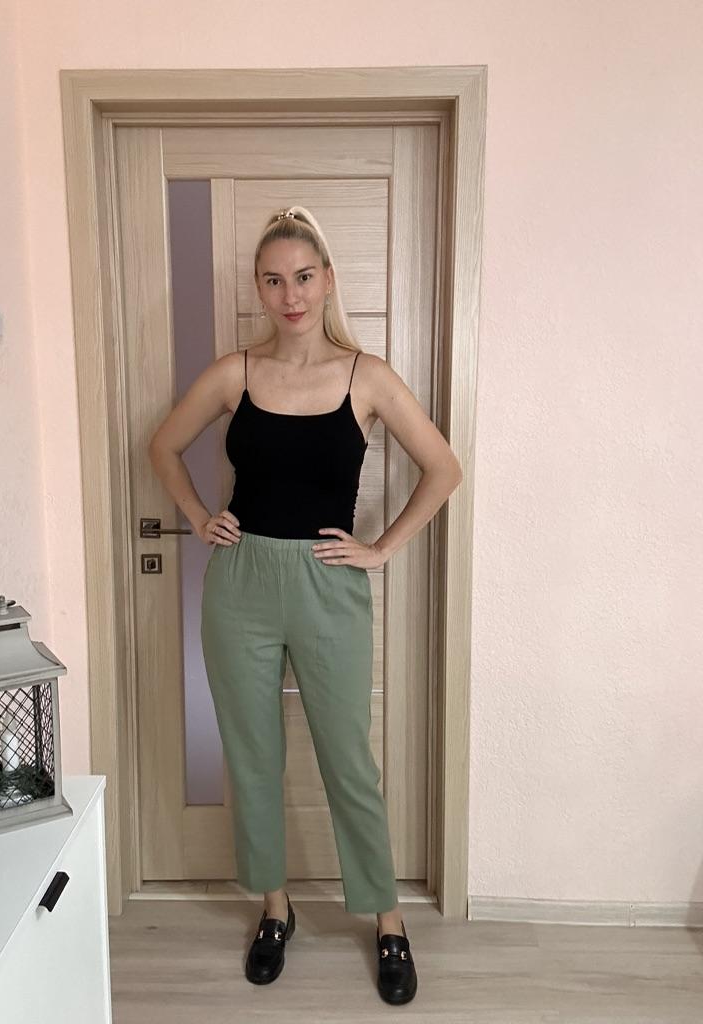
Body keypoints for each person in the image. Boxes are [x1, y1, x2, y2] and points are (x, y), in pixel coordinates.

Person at [149, 205, 463, 1004]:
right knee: (252, 757)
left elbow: (444, 469)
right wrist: (198, 515)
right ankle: (275, 908)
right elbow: (162, 445)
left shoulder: (368, 377)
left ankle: (388, 920)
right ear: (258, 288)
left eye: (303, 277)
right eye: (273, 280)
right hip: (241, 585)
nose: (289, 295)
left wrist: (381, 547)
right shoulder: (235, 373)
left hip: (329, 586)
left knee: (348, 759)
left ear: (327, 281)